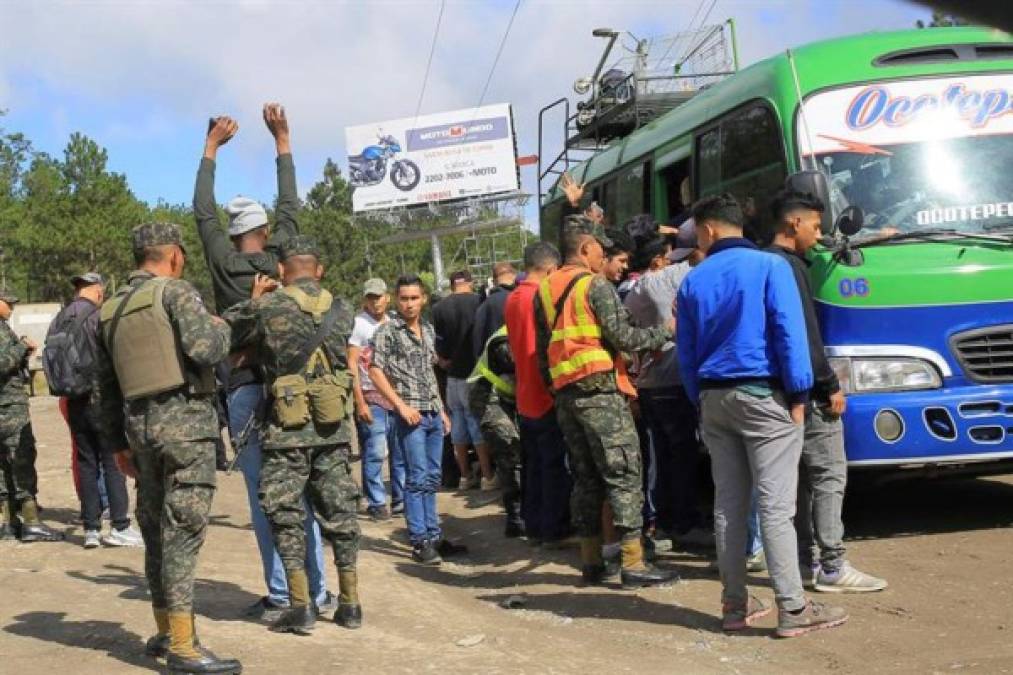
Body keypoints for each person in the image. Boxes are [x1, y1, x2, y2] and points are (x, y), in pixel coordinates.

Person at [676, 194, 847, 638]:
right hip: (765, 395)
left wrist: (700, 399)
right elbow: (788, 333)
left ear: (709, 231)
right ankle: (792, 608)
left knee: (729, 507)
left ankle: (734, 606)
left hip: (715, 399)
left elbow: (687, 353)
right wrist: (798, 395)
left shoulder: (693, 280)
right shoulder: (770, 268)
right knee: (775, 508)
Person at [196, 105, 335, 621]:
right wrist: (283, 141)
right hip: (292, 391)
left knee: (263, 498)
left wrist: (210, 148)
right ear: (267, 230)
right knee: (299, 493)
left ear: (233, 234)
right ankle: (317, 592)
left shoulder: (223, 262)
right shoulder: (280, 260)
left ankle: (283, 592)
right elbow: (291, 205)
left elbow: (203, 212)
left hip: (244, 392)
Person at [95, 222, 240, 672]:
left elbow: (104, 388)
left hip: (141, 433)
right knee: (182, 533)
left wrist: (119, 445)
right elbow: (206, 349)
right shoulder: (175, 293)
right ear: (174, 255)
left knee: (157, 531)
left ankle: (164, 629)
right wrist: (225, 325)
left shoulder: (111, 308)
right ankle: (183, 646)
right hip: (186, 432)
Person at [224, 235, 363, 634]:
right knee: (341, 513)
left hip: (287, 431)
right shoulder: (343, 308)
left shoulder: (268, 307)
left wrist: (255, 297)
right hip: (333, 428)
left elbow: (228, 334)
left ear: (281, 270)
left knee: (286, 515)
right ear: (319, 270)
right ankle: (350, 604)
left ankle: (301, 606)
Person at [535, 216, 676, 588]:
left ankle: (591, 562)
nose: (606, 256)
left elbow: (541, 353)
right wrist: (666, 331)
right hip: (600, 394)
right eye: (601, 248)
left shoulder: (545, 290)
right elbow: (626, 337)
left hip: (567, 398)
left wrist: (558, 390)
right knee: (625, 473)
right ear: (585, 248)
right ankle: (633, 564)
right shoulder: (594, 285)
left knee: (586, 480)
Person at [766, 189, 887, 593]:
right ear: (793, 223)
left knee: (797, 480)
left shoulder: (763, 264)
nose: (819, 236)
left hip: (774, 393)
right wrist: (829, 384)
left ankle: (803, 561)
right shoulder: (792, 267)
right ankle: (832, 565)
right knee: (830, 474)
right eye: (815, 226)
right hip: (808, 392)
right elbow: (802, 334)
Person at [622, 233, 714, 550]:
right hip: (673, 380)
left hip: (648, 384)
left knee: (661, 457)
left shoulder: (638, 287)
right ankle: (683, 523)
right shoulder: (677, 278)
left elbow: (628, 327)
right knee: (683, 456)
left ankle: (663, 521)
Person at [369, 276, 465, 565]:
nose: (409, 304)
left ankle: (434, 535)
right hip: (411, 416)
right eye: (404, 298)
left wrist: (442, 410)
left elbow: (428, 373)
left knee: (433, 477)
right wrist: (399, 406)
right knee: (417, 477)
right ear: (396, 300)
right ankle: (419, 539)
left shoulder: (426, 329)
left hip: (433, 413)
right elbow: (375, 371)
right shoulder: (388, 332)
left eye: (414, 298)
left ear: (423, 299)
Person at [47, 272, 141, 549]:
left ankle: (90, 529)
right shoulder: (97, 317)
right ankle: (120, 526)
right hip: (99, 399)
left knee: (86, 462)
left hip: (72, 399)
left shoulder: (59, 319)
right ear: (98, 290)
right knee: (113, 460)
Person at [504, 243, 572, 546]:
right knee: (553, 467)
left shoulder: (513, 297)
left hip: (525, 394)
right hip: (544, 393)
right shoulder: (537, 297)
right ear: (550, 269)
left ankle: (534, 526)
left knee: (534, 466)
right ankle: (553, 529)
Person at [0, 290, 61, 542]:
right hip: (9, 409)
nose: (12, 307)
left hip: (6, 406)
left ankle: (9, 522)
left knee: (4, 464)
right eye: (8, 302)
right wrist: (20, 347)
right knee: (21, 460)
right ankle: (31, 522)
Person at [431, 269, 494, 489]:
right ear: (471, 282)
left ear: (451, 285)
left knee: (457, 422)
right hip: (476, 373)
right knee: (475, 423)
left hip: (453, 375)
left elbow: (435, 342)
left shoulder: (439, 308)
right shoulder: (480, 302)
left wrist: (442, 361)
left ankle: (465, 476)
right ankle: (487, 476)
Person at [349, 278, 405, 521]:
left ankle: (400, 499)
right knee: (374, 451)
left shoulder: (395, 323)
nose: (375, 302)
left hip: (396, 397)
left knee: (399, 451)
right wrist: (359, 401)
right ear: (365, 300)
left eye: (379, 296)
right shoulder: (359, 325)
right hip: (371, 396)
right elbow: (351, 364)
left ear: (387, 297)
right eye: (371, 297)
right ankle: (376, 501)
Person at [467, 326, 524, 537]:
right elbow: (521, 364)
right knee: (510, 454)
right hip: (487, 398)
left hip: (507, 399)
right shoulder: (505, 337)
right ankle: (515, 518)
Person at [471, 262, 517, 358]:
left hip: (496, 366)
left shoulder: (485, 305)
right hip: (524, 364)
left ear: (494, 281)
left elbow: (477, 340)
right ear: (514, 275)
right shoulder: (525, 298)